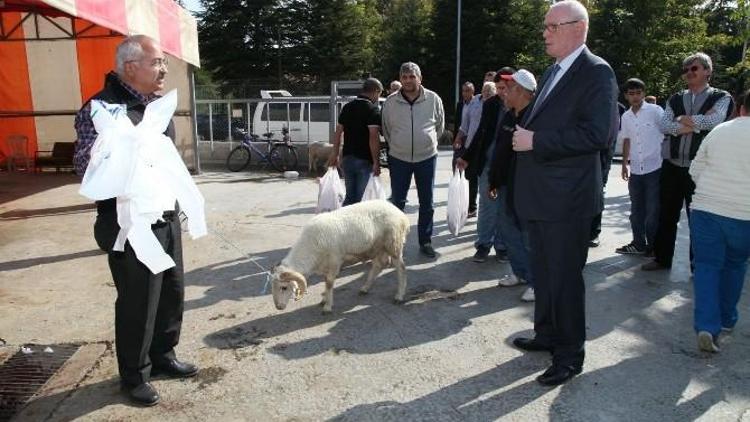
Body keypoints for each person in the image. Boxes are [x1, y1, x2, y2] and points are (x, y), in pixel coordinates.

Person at [73, 35, 198, 406]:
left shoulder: (156, 107)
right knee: (138, 301)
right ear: (131, 67)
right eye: (157, 62)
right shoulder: (101, 109)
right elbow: (83, 167)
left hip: (165, 214)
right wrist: (116, 151)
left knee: (171, 292)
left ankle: (163, 356)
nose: (163, 69)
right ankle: (134, 374)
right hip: (128, 221)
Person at [510, 0, 618, 386]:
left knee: (565, 278)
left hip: (566, 198)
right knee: (544, 272)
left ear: (577, 28)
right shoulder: (553, 71)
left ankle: (570, 354)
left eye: (552, 27)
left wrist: (536, 140)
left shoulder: (596, 73)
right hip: (542, 196)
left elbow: (599, 134)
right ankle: (547, 334)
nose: (545, 33)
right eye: (545, 27)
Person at [642, 52, 733, 272]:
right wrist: (692, 124)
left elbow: (715, 120)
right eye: (686, 70)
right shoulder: (675, 98)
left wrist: (681, 120)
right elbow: (664, 125)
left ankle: (697, 264)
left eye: (694, 68)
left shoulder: (721, 97)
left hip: (701, 168)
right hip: (671, 165)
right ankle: (662, 259)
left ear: (708, 71)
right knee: (666, 215)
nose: (689, 73)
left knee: (699, 219)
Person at [689, 90, 750, 353]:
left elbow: (695, 169)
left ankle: (706, 325)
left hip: (706, 208)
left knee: (706, 267)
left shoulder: (720, 130)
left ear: (741, 108)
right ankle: (726, 319)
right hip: (744, 215)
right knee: (735, 265)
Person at [382, 62, 445, 258]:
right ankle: (394, 242)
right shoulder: (391, 102)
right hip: (399, 158)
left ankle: (425, 241)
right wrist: (399, 146)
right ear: (400, 79)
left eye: (412, 77)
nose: (408, 81)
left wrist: (427, 142)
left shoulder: (433, 99)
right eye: (405, 77)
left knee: (427, 202)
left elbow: (439, 126)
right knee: (397, 202)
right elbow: (387, 129)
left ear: (420, 78)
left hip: (426, 158)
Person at [488, 69, 538, 302]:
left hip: (528, 187)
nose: (504, 93)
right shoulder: (509, 116)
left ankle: (538, 282)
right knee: (508, 231)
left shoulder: (535, 118)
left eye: (509, 89)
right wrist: (494, 180)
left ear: (521, 92)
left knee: (530, 236)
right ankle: (520, 273)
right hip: (506, 184)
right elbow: (500, 151)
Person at [456, 68, 515, 263]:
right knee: (488, 207)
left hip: (510, 167)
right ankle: (483, 245)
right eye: (498, 88)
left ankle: (502, 246)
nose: (502, 92)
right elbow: (481, 133)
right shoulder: (490, 105)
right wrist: (467, 156)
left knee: (505, 208)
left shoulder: (521, 106)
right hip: (488, 164)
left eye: (505, 87)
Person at [615, 78, 664, 256]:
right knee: (636, 210)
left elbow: (667, 131)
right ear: (626, 96)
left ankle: (653, 246)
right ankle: (638, 243)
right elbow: (627, 140)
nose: (635, 97)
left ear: (643, 93)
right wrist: (624, 164)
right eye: (631, 94)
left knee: (653, 211)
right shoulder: (626, 116)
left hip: (655, 167)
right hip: (636, 168)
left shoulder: (655, 111)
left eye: (638, 93)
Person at [328, 78, 383, 205]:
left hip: (347, 158)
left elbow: (338, 132)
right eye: (380, 93)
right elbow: (373, 137)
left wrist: (335, 153)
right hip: (364, 159)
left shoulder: (347, 107)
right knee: (361, 200)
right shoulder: (372, 110)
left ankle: (344, 222)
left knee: (350, 196)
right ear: (376, 91)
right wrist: (376, 162)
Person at [453, 81, 497, 217]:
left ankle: (489, 211)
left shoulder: (499, 105)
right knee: (470, 178)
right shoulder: (474, 103)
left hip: (490, 150)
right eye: (484, 91)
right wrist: (458, 137)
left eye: (490, 92)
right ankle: (471, 206)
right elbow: (464, 125)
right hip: (472, 147)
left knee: (486, 181)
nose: (486, 94)